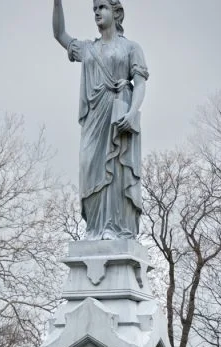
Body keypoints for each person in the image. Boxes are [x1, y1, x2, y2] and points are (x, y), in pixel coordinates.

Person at [53, 0, 149, 240]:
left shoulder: (131, 48)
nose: (97, 12)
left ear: (116, 12)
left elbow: (140, 84)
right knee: (89, 167)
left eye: (102, 7)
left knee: (116, 171)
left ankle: (115, 228)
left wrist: (132, 111)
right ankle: (94, 228)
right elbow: (59, 34)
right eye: (94, 9)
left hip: (119, 115)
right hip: (94, 121)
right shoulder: (88, 49)